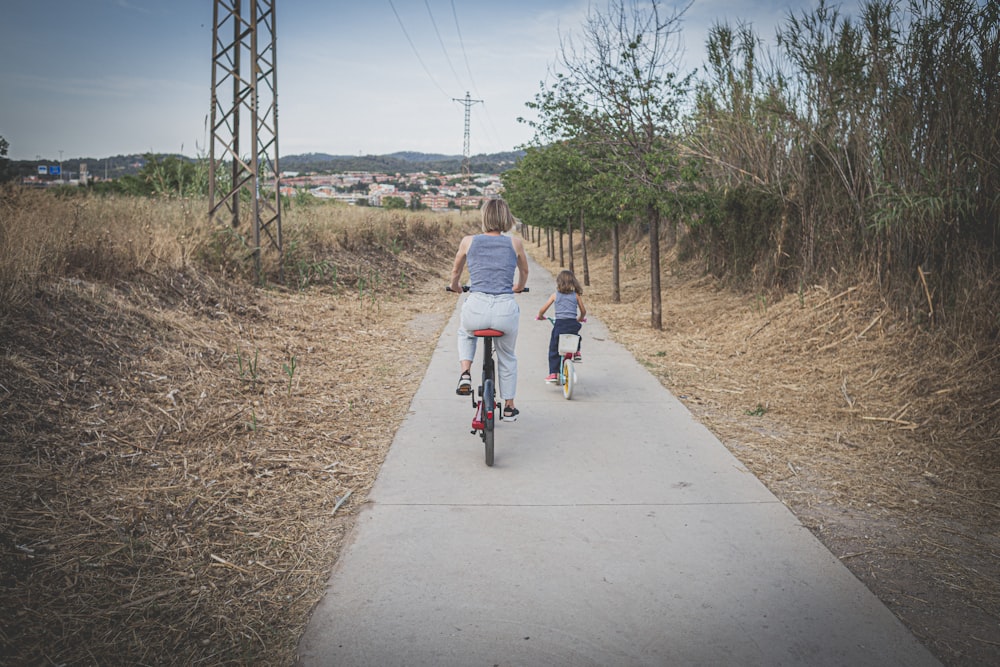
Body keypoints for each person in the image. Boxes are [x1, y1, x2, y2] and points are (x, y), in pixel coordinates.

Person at [449, 198, 529, 421]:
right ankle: (510, 406)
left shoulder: (468, 241)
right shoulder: (515, 243)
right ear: (506, 218)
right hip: (505, 308)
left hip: (477, 306)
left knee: (465, 332)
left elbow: (455, 273)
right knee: (507, 356)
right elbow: (524, 272)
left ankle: (465, 373)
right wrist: (519, 288)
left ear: (484, 217)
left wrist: (455, 287)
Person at [536, 269, 586, 383]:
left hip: (560, 324)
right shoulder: (576, 296)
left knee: (554, 348)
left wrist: (540, 316)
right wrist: (580, 318)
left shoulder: (555, 296)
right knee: (575, 336)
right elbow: (583, 311)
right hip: (573, 323)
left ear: (558, 282)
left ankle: (554, 373)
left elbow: (543, 309)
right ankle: (577, 352)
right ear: (573, 282)